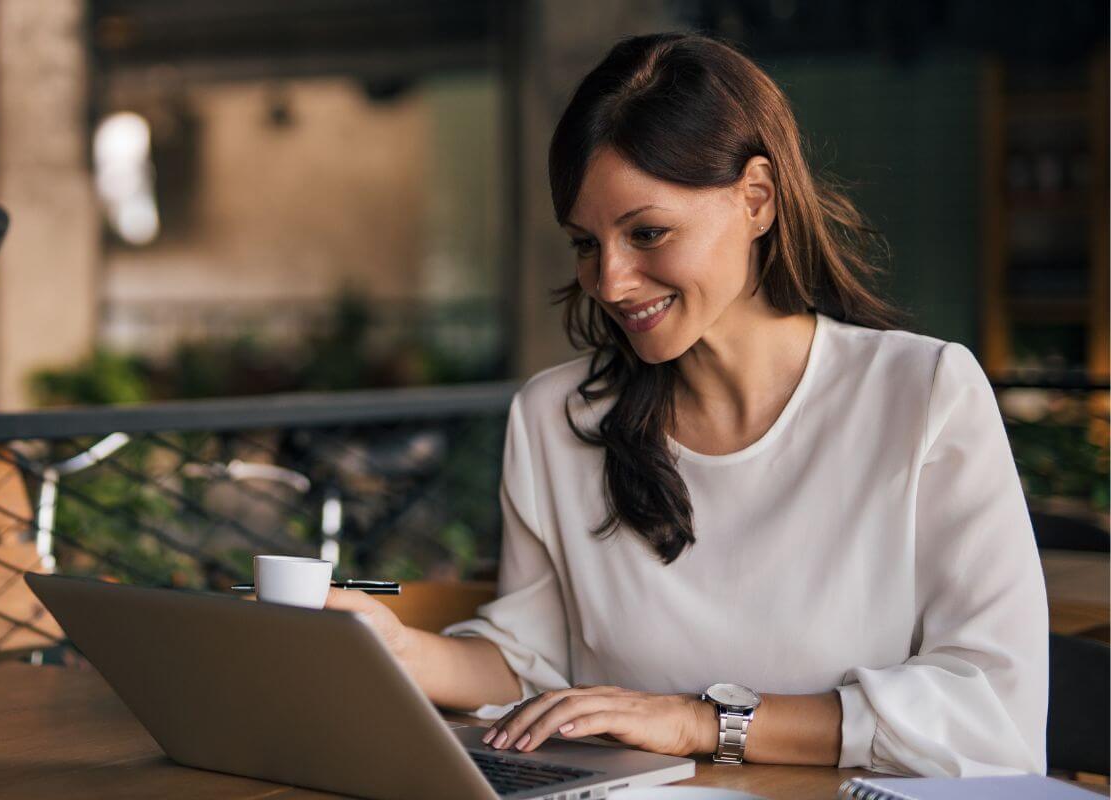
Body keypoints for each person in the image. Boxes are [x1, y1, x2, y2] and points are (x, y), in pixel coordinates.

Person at [326, 32, 1047, 778]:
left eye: (647, 233)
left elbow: (993, 715)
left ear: (757, 199)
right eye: (585, 243)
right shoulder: (556, 418)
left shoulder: (923, 394)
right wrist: (395, 649)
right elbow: (531, 661)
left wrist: (702, 723)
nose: (609, 281)